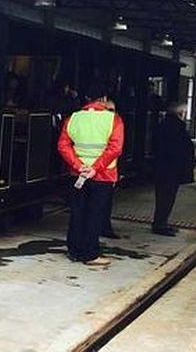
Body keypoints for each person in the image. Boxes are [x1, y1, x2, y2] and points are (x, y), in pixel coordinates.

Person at [58, 95, 124, 266]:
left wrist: (79, 166)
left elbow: (63, 145)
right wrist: (95, 168)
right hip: (103, 175)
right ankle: (90, 254)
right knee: (95, 214)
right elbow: (115, 148)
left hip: (78, 174)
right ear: (103, 99)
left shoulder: (73, 118)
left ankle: (74, 250)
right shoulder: (113, 120)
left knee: (77, 212)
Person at [152, 102, 194, 236]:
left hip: (165, 168)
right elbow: (179, 149)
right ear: (180, 113)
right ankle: (160, 224)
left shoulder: (166, 125)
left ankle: (162, 222)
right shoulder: (175, 127)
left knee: (166, 197)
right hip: (170, 169)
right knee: (166, 197)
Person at [101, 99, 121, 240]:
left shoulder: (115, 125)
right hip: (99, 172)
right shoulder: (110, 125)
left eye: (112, 111)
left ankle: (104, 226)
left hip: (108, 172)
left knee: (106, 203)